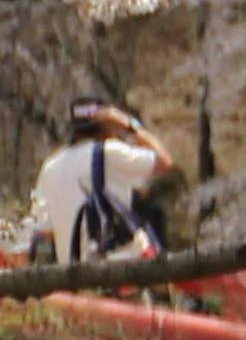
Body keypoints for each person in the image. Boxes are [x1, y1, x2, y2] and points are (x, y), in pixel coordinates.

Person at [28, 98, 166, 264]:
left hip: (73, 273)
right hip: (123, 265)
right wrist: (130, 125)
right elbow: (164, 163)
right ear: (107, 126)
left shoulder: (51, 166)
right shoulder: (109, 152)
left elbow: (45, 231)